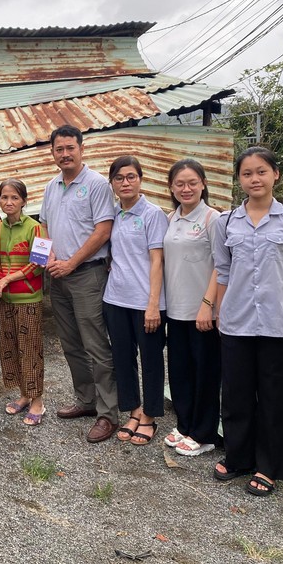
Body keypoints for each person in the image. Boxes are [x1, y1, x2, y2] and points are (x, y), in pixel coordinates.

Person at [211, 146, 283, 497]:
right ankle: (238, 457)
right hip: (236, 323)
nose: (254, 179)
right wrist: (218, 314)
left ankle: (268, 466)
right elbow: (223, 272)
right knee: (236, 395)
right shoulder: (226, 222)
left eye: (261, 171)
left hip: (279, 325)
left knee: (275, 396)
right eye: (247, 173)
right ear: (238, 179)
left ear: (275, 175)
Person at [40, 125, 117, 443]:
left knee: (96, 345)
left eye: (70, 147)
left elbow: (103, 230)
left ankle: (108, 413)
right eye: (59, 149)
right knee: (70, 344)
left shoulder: (97, 184)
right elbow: (43, 226)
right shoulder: (51, 186)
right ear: (53, 153)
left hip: (87, 274)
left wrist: (71, 262)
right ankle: (86, 401)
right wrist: (51, 256)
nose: (65, 154)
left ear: (81, 149)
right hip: (58, 275)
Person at [102, 156, 168, 446]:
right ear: (112, 184)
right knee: (123, 357)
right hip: (115, 298)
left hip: (145, 302)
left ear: (141, 179)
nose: (125, 183)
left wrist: (153, 304)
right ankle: (134, 410)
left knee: (151, 359)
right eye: (119, 178)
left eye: (131, 177)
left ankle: (151, 416)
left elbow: (158, 261)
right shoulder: (113, 214)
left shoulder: (153, 214)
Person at [162, 159, 221, 457]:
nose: (186, 189)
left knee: (206, 373)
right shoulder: (171, 218)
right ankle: (185, 425)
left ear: (203, 184)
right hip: (176, 309)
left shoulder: (213, 218)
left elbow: (222, 266)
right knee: (181, 372)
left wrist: (208, 305)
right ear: (171, 187)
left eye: (192, 183)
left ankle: (205, 433)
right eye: (180, 184)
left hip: (202, 312)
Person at [0, 178, 46, 425]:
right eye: (4, 197)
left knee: (31, 350)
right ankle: (24, 395)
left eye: (15, 197)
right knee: (11, 349)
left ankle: (38, 402)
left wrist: (8, 279)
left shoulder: (36, 227)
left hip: (28, 299)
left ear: (24, 201)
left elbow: (38, 264)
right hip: (5, 300)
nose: (9, 202)